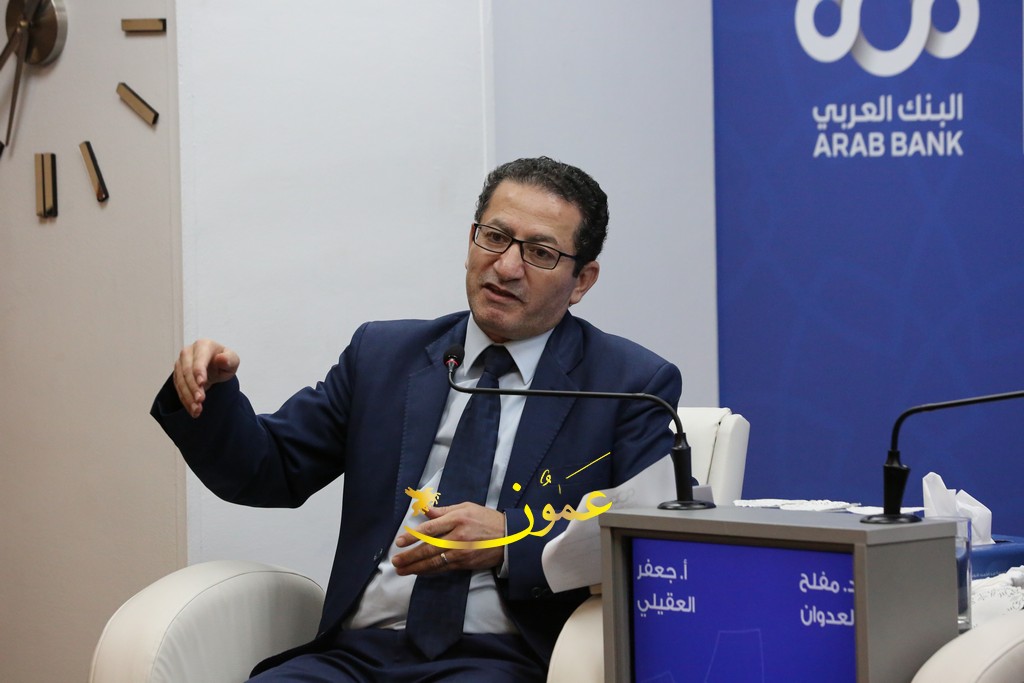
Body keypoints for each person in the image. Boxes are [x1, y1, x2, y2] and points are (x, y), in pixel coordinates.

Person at [152, 156, 681, 682]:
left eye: (540, 252)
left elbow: (645, 543)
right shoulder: (384, 355)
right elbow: (269, 470)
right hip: (353, 657)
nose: (506, 267)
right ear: (472, 239)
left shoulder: (630, 385)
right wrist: (212, 396)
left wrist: (509, 540)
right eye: (495, 237)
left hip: (502, 659)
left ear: (582, 279)